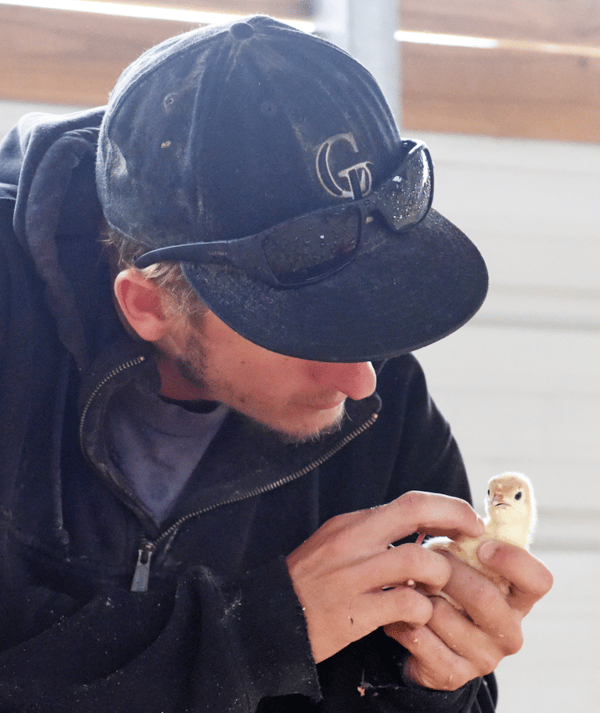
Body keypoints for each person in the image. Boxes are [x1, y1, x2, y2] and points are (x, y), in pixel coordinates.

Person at [0, 14, 552, 712]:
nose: (361, 380)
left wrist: (431, 682)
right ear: (148, 305)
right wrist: (264, 630)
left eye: (364, 306)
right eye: (303, 329)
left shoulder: (386, 396)